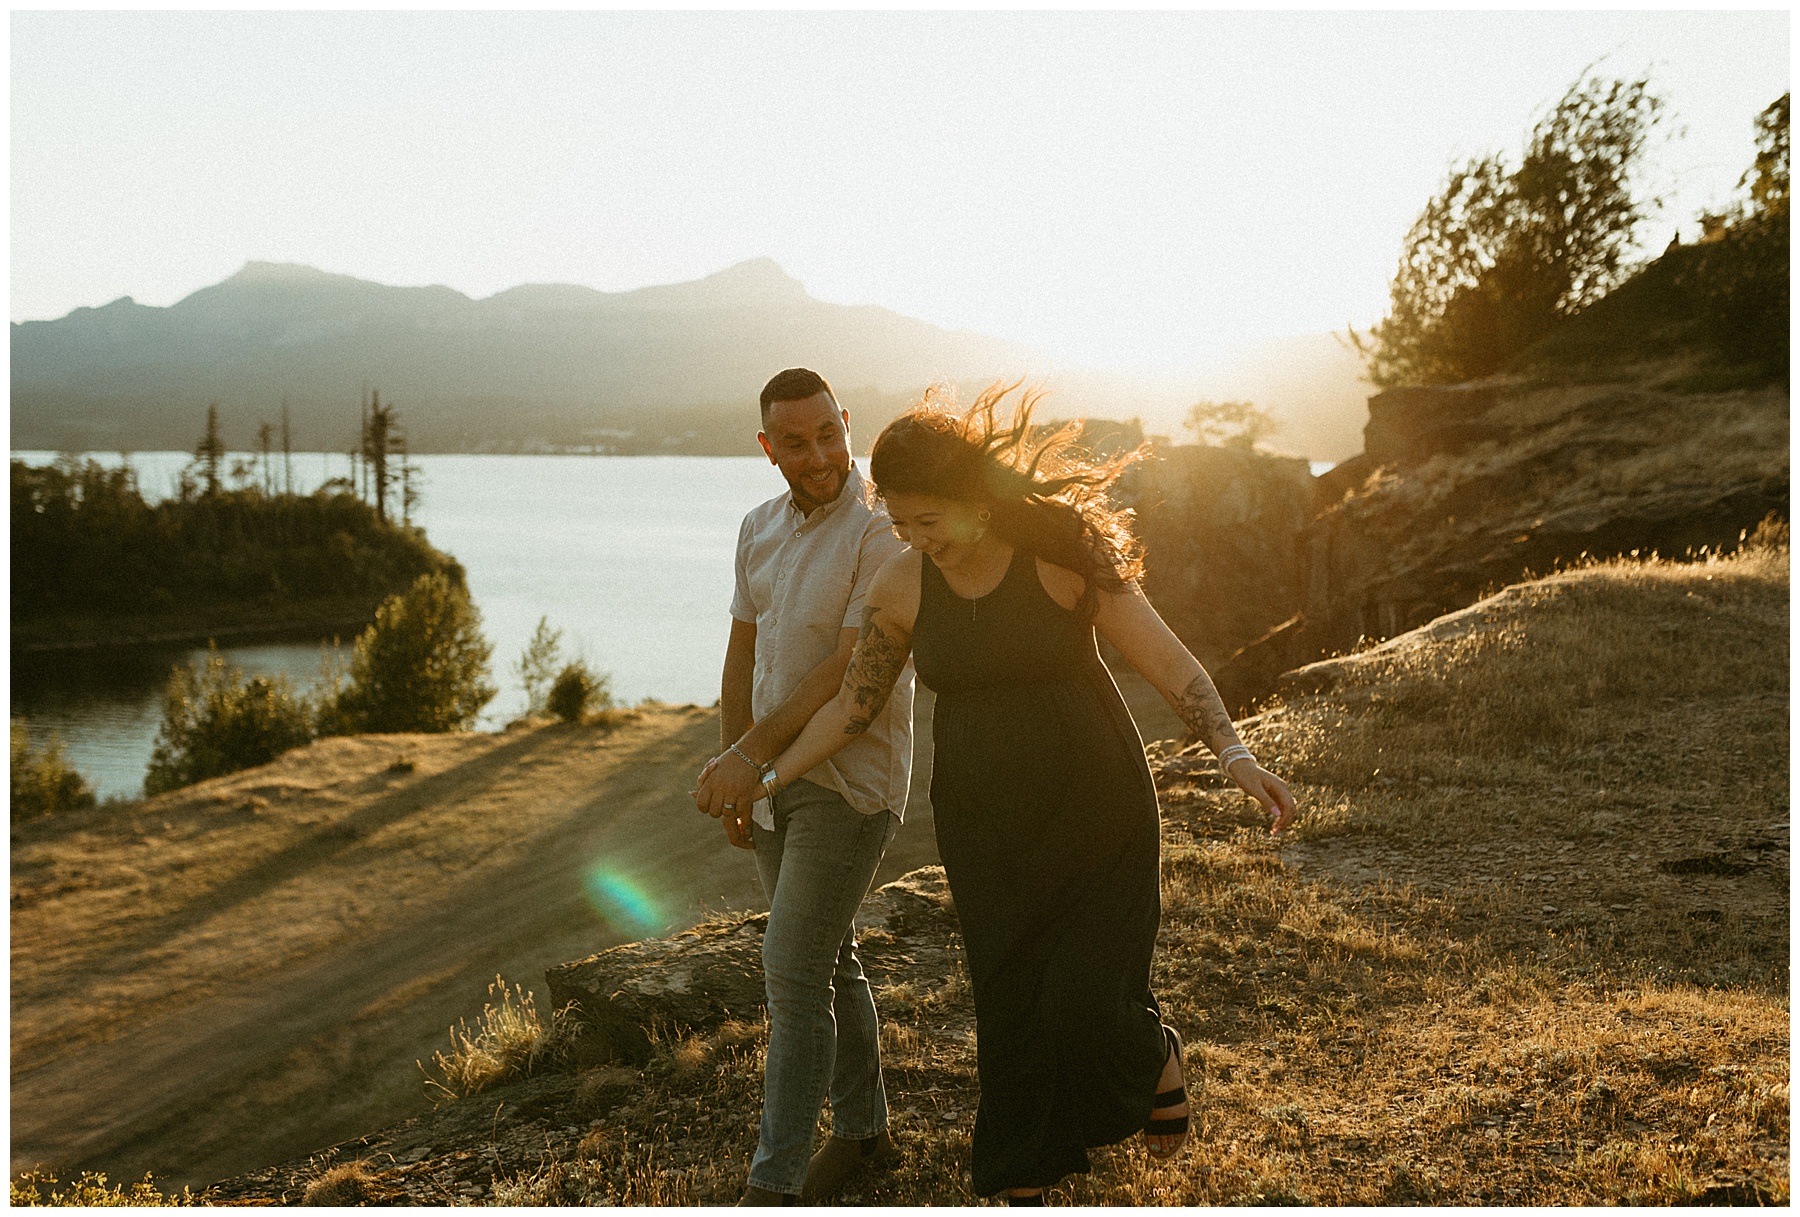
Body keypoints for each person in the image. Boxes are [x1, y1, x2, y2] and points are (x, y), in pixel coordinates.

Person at [754, 383, 1298, 1204]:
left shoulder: (1057, 551)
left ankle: (1152, 1054)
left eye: (927, 519)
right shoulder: (904, 585)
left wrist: (1233, 751)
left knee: (1086, 998)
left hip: (1097, 803)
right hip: (982, 824)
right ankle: (1024, 1172)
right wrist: (766, 778)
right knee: (1010, 1006)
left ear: (973, 498)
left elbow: (1167, 658)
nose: (913, 539)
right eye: (899, 522)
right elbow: (851, 708)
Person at [691, 367, 916, 1205]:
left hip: (850, 779)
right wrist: (733, 770)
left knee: (790, 973)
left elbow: (842, 668)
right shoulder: (756, 528)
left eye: (829, 432)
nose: (819, 453)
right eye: (795, 441)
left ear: (846, 421)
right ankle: (866, 1135)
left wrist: (752, 757)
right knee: (832, 955)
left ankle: (774, 1187)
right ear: (767, 448)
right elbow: (743, 654)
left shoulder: (881, 528)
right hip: (772, 783)